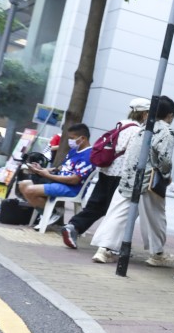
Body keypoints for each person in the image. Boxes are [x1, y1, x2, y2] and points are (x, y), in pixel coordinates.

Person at [88, 96, 174, 265]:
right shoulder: (166, 131)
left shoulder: (142, 128)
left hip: (128, 178)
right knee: (155, 218)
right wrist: (166, 175)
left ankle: (104, 250)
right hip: (148, 181)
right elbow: (164, 160)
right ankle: (156, 254)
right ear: (170, 115)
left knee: (118, 214)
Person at [61, 98, 147, 249]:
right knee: (116, 211)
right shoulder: (137, 131)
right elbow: (132, 156)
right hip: (120, 175)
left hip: (106, 171)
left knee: (96, 205)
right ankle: (109, 247)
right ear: (145, 115)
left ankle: (73, 227)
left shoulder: (120, 125)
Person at [17, 123, 95, 222]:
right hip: (59, 183)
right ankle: (47, 213)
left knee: (29, 190)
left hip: (73, 188)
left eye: (72, 138)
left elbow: (74, 180)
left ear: (83, 138)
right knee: (23, 185)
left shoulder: (88, 156)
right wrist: (43, 169)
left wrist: (48, 175)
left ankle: (51, 214)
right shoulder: (74, 151)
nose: (69, 141)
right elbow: (62, 168)